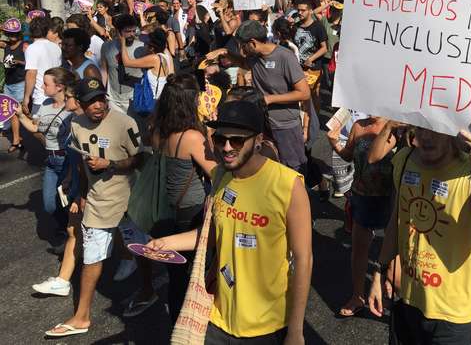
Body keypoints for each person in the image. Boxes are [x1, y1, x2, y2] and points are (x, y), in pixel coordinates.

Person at [146, 100, 312, 345]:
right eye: (220, 139)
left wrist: (296, 330)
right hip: (218, 318)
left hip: (267, 325)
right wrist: (164, 243)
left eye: (236, 140)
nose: (226, 147)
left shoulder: (288, 185)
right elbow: (213, 232)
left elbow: (303, 258)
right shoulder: (220, 177)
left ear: (258, 140)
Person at [368, 121, 471, 344]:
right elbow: (397, 221)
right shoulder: (404, 160)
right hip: (408, 298)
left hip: (452, 313)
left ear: (453, 132)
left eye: (436, 129)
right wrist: (380, 270)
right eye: (422, 128)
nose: (426, 137)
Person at [46, 77, 145, 338]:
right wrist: (81, 193)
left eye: (101, 99)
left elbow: (140, 159)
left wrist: (109, 164)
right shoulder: (76, 124)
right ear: (80, 104)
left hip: (129, 199)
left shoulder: (124, 123)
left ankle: (148, 290)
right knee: (93, 258)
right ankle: (82, 317)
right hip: (98, 202)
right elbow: (80, 160)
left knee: (139, 247)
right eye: (91, 102)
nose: (98, 106)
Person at [148, 73, 217, 322]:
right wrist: (210, 134)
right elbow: (215, 172)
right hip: (191, 210)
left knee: (175, 276)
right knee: (197, 272)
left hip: (164, 209)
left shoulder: (157, 130)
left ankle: (175, 324)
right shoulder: (192, 137)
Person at [328, 116, 398, 318]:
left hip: (391, 197)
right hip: (363, 196)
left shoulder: (399, 127)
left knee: (394, 254)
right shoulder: (359, 126)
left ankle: (392, 297)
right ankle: (357, 296)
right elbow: (349, 155)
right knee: (359, 250)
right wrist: (334, 142)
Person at [233, 21, 311, 173]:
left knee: (294, 169)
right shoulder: (254, 57)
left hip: (285, 125)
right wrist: (223, 52)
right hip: (264, 124)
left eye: (243, 46)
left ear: (253, 43)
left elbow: (304, 93)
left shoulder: (285, 57)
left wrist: (268, 99)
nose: (241, 50)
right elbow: (242, 61)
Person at [16, 68, 78, 240]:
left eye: (45, 83)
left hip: (68, 160)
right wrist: (21, 116)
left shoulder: (73, 108)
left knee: (71, 202)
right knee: (50, 205)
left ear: (59, 87)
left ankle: (73, 233)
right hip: (51, 162)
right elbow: (36, 128)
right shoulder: (45, 105)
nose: (42, 87)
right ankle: (65, 225)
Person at [100, 14, 145, 114]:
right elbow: (104, 71)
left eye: (133, 31)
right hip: (112, 98)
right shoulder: (107, 46)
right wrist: (102, 94)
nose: (132, 34)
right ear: (118, 32)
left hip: (133, 98)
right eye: (128, 31)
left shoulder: (141, 48)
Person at [23, 16, 62, 117]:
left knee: (37, 129)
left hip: (41, 97)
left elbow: (31, 73)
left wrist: (26, 97)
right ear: (47, 30)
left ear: (31, 30)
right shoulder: (56, 47)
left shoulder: (32, 48)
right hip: (57, 95)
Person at [293, 0, 327, 112]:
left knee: (312, 94)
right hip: (298, 68)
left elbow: (324, 48)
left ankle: (314, 120)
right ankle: (305, 120)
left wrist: (311, 58)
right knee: (301, 95)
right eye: (298, 10)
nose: (300, 13)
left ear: (310, 11)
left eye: (303, 10)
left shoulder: (318, 27)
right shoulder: (296, 26)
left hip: (313, 68)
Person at [1, 18, 27, 153]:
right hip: (9, 84)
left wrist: (18, 62)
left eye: (14, 34)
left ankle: (30, 139)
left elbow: (30, 62)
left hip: (20, 83)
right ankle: (16, 141)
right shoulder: (6, 46)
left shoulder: (24, 45)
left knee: (22, 112)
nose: (12, 37)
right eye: (9, 34)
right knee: (12, 113)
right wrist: (3, 27)